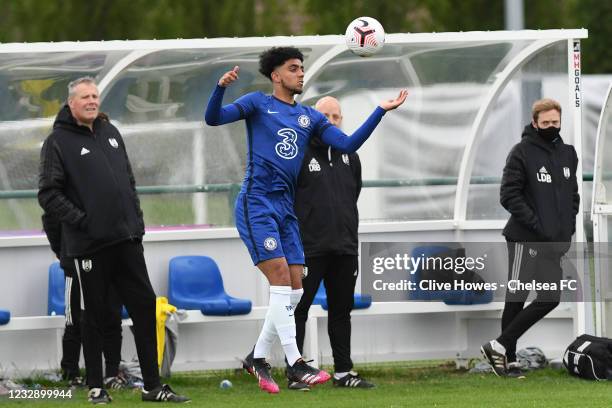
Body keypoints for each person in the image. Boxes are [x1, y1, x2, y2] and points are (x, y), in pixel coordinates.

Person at [205, 46, 407, 393]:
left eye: (302, 68)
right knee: (282, 281)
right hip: (257, 203)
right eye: (294, 68)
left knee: (295, 290)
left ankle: (257, 357)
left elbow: (346, 145)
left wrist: (380, 111)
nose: (301, 73)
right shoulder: (256, 103)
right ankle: (297, 363)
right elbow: (213, 118)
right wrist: (220, 87)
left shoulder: (310, 117)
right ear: (276, 76)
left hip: (286, 209)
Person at [38, 77, 189, 404]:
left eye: (95, 96)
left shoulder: (111, 132)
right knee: (94, 315)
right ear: (71, 103)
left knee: (145, 307)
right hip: (89, 247)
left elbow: (129, 182)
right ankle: (96, 386)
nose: (92, 101)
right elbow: (48, 194)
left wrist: (136, 222)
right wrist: (83, 221)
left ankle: (152, 386)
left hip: (127, 241)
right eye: (85, 97)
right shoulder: (57, 142)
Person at [481, 98, 580, 378]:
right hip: (524, 239)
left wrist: (567, 228)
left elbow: (572, 196)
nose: (551, 127)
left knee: (550, 297)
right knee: (517, 297)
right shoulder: (521, 152)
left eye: (555, 123)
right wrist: (537, 225)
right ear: (535, 122)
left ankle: (498, 346)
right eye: (546, 123)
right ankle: (508, 360)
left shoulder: (568, 153)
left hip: (554, 243)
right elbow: (508, 195)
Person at [290, 96, 374, 390]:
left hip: (345, 247)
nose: (332, 121)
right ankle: (295, 371)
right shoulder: (298, 155)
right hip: (309, 248)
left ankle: (343, 372)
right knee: (298, 310)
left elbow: (354, 194)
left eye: (336, 116)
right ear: (314, 119)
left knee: (341, 310)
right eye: (326, 116)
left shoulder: (351, 156)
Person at [41, 211, 126, 390]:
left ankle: (111, 373)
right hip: (74, 263)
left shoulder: (111, 187)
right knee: (75, 321)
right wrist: (64, 251)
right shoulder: (65, 190)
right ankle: (71, 373)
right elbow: (51, 219)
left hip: (110, 263)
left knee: (112, 317)